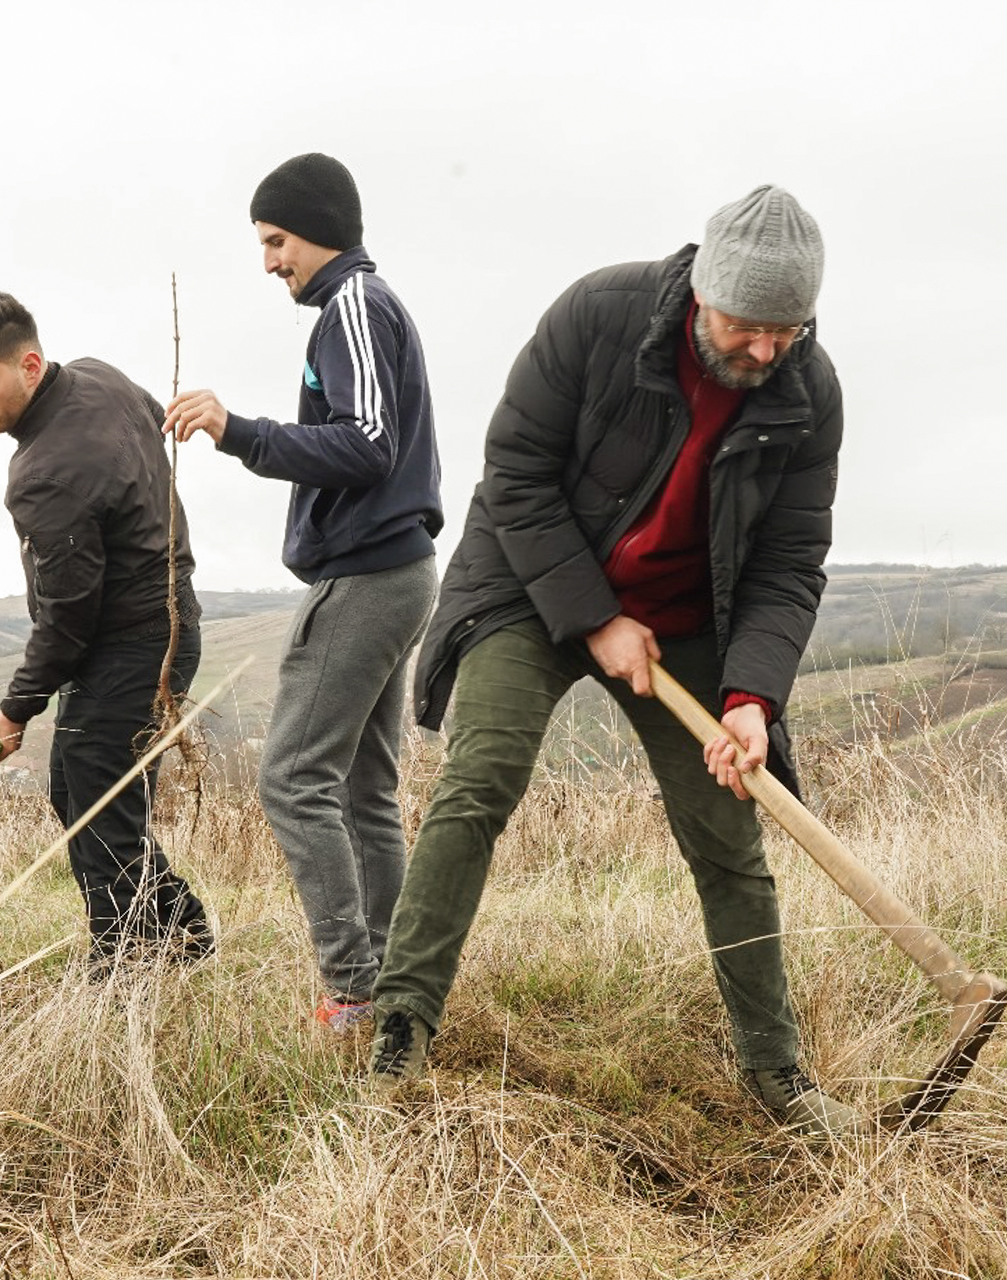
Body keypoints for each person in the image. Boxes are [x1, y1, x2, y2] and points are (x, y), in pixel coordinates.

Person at [367, 185, 856, 1135]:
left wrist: (752, 696)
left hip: (690, 618)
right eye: (750, 327)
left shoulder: (807, 391)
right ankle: (400, 1031)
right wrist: (594, 618)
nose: (766, 351)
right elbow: (513, 472)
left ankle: (779, 1079)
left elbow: (791, 561)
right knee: (482, 779)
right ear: (704, 294)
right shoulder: (599, 316)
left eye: (787, 331)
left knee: (729, 834)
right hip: (534, 585)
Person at [163, 152, 442, 1029]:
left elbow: (368, 443)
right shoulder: (353, 309)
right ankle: (397, 986)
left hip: (366, 576)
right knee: (361, 788)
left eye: (276, 240)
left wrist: (236, 429)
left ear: (318, 229)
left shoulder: (353, 307)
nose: (270, 260)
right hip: (395, 572)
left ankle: (354, 990)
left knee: (290, 777)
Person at [0, 291, 213, 976]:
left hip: (132, 643)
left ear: (29, 364)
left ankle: (123, 966)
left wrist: (17, 706)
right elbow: (153, 421)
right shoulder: (102, 377)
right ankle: (182, 930)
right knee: (86, 791)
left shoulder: (47, 473)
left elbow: (66, 618)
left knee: (95, 804)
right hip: (173, 617)